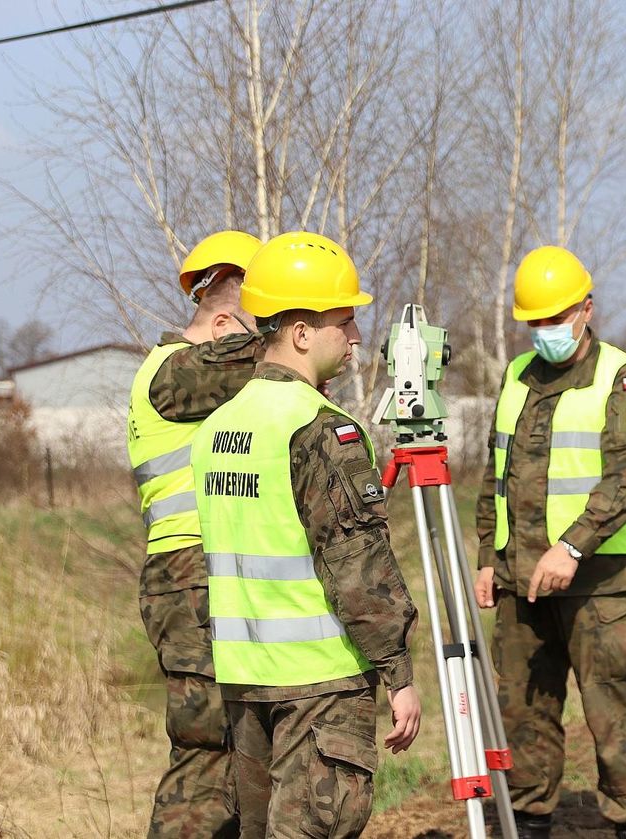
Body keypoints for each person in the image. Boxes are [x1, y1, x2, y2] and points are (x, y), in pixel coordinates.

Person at [190, 230, 421, 838]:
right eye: (343, 322)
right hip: (319, 685)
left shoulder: (217, 427)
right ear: (300, 333)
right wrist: (398, 675)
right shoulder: (320, 429)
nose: (355, 338)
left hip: (245, 683)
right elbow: (359, 569)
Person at [474, 245, 626, 839]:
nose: (546, 331)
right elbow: (495, 472)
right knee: (523, 716)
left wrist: (573, 546)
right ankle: (529, 823)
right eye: (536, 321)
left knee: (613, 720)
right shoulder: (515, 377)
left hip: (600, 589)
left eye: (556, 318)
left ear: (587, 308)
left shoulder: (625, 379)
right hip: (520, 583)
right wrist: (488, 556)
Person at [127, 229, 263, 838]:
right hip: (188, 581)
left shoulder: (196, 383)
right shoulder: (173, 374)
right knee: (206, 754)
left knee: (234, 751)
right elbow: (276, 359)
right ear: (224, 324)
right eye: (257, 329)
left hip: (207, 578)